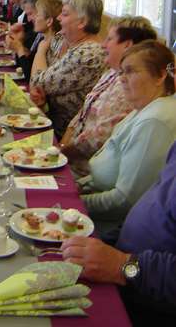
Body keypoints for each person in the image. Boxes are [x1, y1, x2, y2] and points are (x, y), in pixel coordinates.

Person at [62, 139, 176, 326]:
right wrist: (106, 242)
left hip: (147, 303)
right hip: (123, 264)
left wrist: (121, 265)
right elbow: (152, 208)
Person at [78, 39, 176, 240]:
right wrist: (74, 187)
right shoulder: (144, 109)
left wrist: (74, 202)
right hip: (92, 211)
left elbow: (125, 201)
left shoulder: (154, 121)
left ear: (160, 76)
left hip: (107, 230)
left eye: (130, 71)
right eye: (121, 71)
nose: (121, 78)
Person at [61, 16, 157, 177]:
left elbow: (99, 138)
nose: (104, 44)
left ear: (127, 45)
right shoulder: (111, 72)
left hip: (86, 172)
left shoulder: (129, 86)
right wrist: (62, 144)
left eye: (110, 39)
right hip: (69, 159)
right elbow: (82, 114)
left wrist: (60, 153)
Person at [29, 0, 106, 138]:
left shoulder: (87, 54)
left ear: (82, 22)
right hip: (50, 120)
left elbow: (37, 82)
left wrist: (40, 50)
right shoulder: (66, 41)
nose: (59, 18)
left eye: (64, 14)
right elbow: (43, 86)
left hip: (64, 133)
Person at [6, 0, 60, 83]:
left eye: (31, 14)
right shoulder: (38, 34)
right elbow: (25, 66)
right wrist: (20, 43)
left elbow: (32, 78)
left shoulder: (53, 41)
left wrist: (19, 49)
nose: (29, 19)